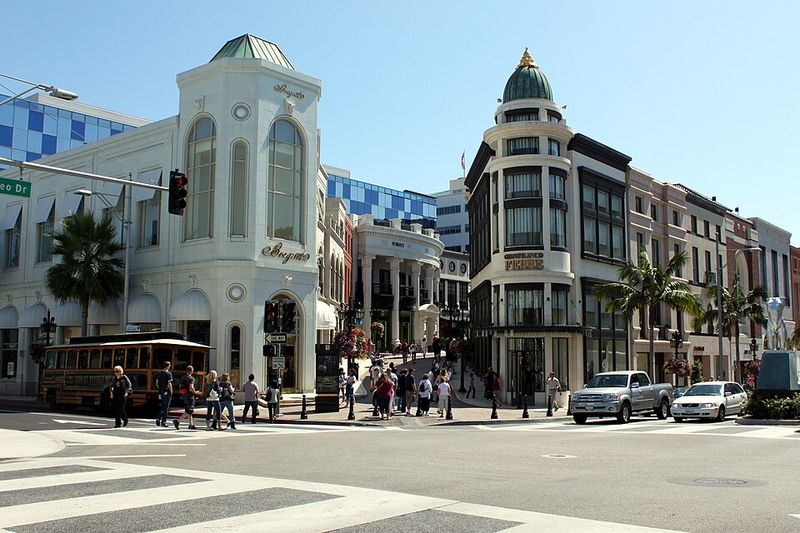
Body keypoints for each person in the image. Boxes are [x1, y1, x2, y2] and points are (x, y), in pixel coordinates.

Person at [174, 365, 198, 430]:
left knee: (188, 410)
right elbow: (191, 387)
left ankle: (191, 425)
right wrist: (195, 392)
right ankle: (177, 421)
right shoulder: (191, 378)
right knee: (190, 410)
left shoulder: (183, 377)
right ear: (191, 371)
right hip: (190, 396)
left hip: (184, 395)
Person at [154, 360, 173, 427]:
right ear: (168, 366)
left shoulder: (159, 373)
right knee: (166, 408)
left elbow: (157, 384)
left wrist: (160, 390)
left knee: (163, 406)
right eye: (170, 365)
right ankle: (163, 421)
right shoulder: (169, 374)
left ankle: (159, 418)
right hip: (167, 392)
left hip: (161, 392)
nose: (170, 366)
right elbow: (169, 383)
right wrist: (171, 391)